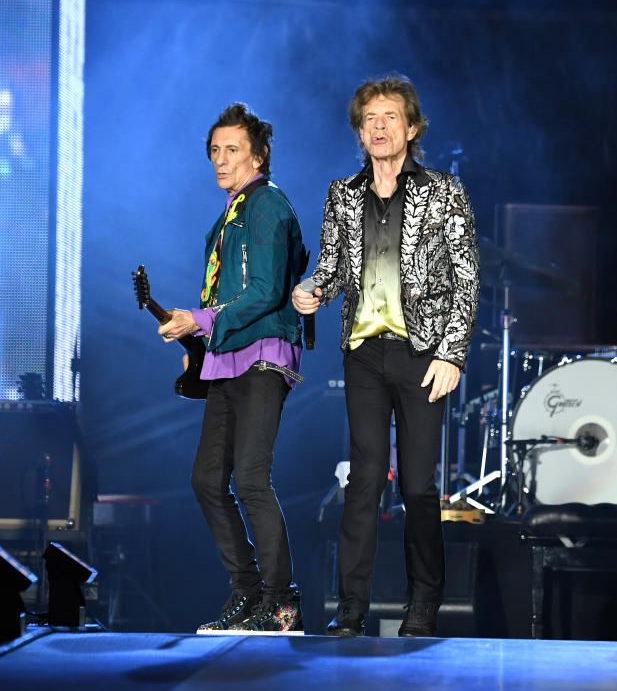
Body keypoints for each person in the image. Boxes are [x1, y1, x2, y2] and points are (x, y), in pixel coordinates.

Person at [293, 74, 480, 638]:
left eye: (390, 116)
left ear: (412, 127)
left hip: (424, 355)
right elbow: (332, 266)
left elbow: (467, 280)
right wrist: (314, 291)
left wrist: (451, 355)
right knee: (364, 479)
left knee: (418, 485)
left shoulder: (445, 191)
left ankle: (423, 604)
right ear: (359, 130)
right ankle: (351, 609)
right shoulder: (342, 193)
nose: (378, 126)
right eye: (369, 118)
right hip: (364, 354)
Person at [159, 103, 306, 634]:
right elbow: (229, 295)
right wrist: (197, 339)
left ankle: (280, 599)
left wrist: (198, 319)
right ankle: (246, 590)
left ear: (258, 155)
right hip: (225, 361)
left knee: (249, 478)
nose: (222, 159)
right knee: (205, 479)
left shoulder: (266, 204)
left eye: (233, 150)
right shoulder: (229, 215)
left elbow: (267, 291)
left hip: (264, 355)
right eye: (215, 151)